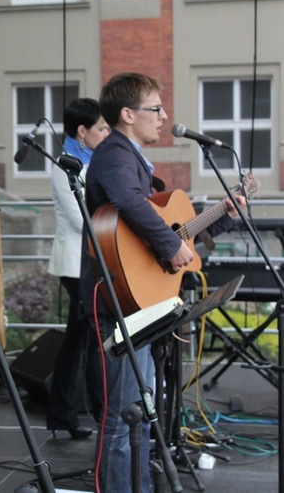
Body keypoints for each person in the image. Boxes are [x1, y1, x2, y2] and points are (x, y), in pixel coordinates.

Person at [80, 72, 242, 493]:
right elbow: (129, 202)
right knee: (123, 416)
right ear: (128, 114)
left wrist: (221, 217)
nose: (164, 116)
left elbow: (172, 235)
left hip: (139, 304)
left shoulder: (130, 158)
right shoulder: (116, 153)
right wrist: (170, 243)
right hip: (117, 303)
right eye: (156, 108)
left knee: (140, 410)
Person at [46, 98, 110, 440]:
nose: (107, 133)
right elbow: (77, 218)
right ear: (82, 132)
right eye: (102, 128)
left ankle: (66, 415)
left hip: (89, 261)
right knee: (84, 340)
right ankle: (86, 414)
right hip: (75, 263)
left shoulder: (91, 162)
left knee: (81, 340)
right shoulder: (65, 165)